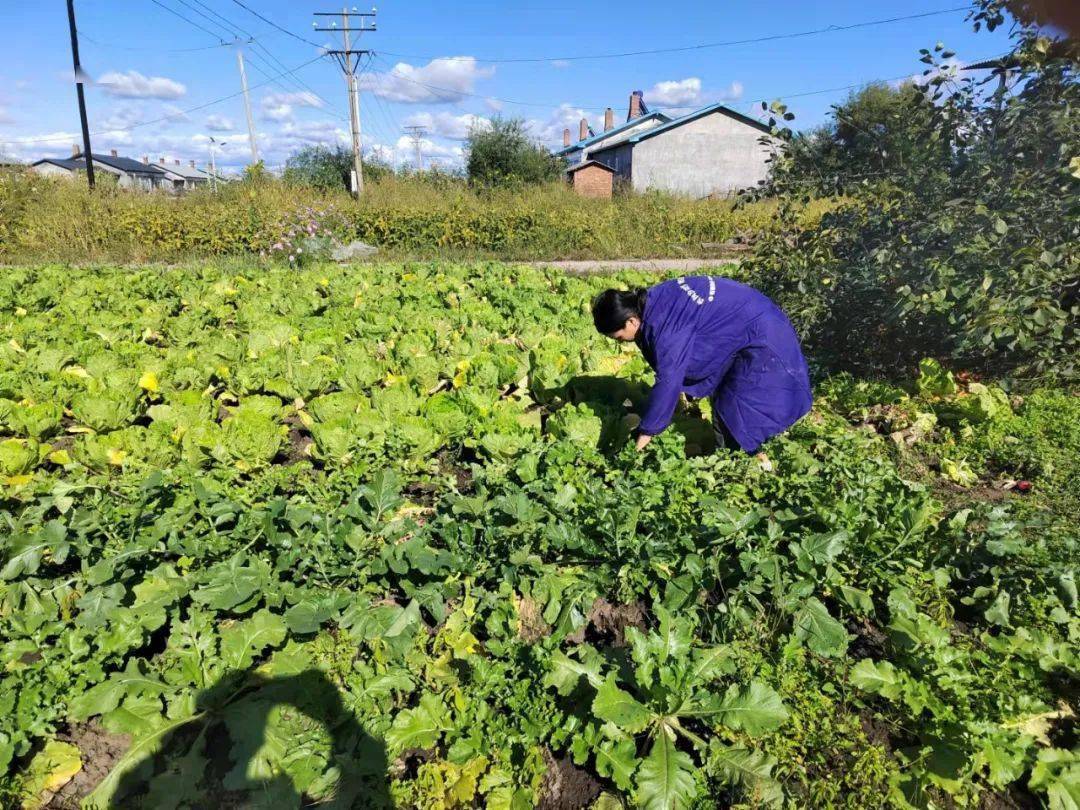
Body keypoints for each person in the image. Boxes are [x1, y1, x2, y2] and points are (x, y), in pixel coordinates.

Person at [592, 276, 812, 453]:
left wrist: (646, 434)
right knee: (728, 403)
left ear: (631, 321)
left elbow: (669, 379)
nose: (622, 343)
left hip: (764, 336)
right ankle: (747, 456)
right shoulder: (654, 299)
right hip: (750, 321)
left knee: (738, 410)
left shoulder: (665, 326)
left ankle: (741, 464)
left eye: (619, 337)